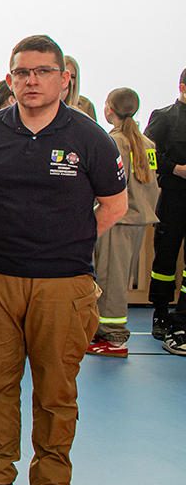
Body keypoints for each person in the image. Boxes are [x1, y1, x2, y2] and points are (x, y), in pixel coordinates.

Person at [0, 34, 127, 485]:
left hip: (64, 284)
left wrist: (69, 239)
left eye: (42, 72)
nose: (31, 81)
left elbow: (114, 205)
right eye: (22, 72)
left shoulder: (91, 138)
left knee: (56, 393)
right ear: (10, 79)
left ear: (64, 78)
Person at [89, 88, 159, 356]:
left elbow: (109, 185)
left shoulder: (115, 142)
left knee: (111, 279)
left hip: (117, 221)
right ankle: (107, 331)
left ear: (109, 110)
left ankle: (113, 337)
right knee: (119, 278)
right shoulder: (147, 143)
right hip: (138, 221)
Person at [145, 68, 186, 353]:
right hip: (173, 197)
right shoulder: (164, 117)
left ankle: (181, 318)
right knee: (165, 259)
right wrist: (175, 169)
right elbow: (147, 154)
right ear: (182, 88)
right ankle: (160, 313)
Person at [62, 54, 97, 120]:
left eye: (72, 77)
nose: (68, 80)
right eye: (64, 76)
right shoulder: (46, 103)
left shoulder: (86, 105)